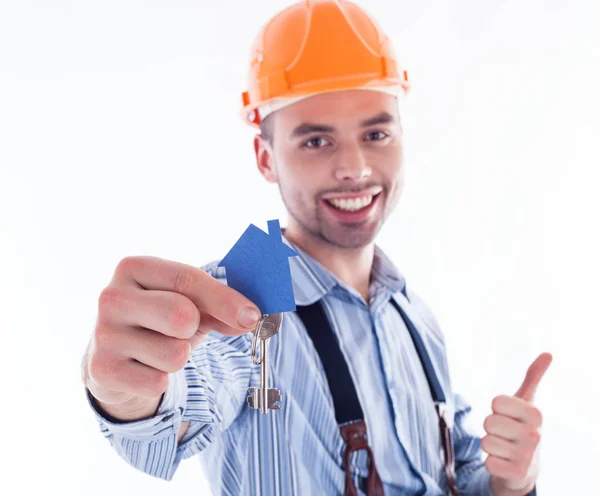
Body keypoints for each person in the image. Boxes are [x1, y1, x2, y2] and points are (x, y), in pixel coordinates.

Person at [81, 1, 552, 495]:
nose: (356, 167)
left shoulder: (412, 315)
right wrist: (123, 389)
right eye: (316, 142)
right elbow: (167, 412)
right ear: (266, 158)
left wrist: (510, 480)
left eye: (376, 133)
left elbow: (451, 475)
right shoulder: (242, 293)